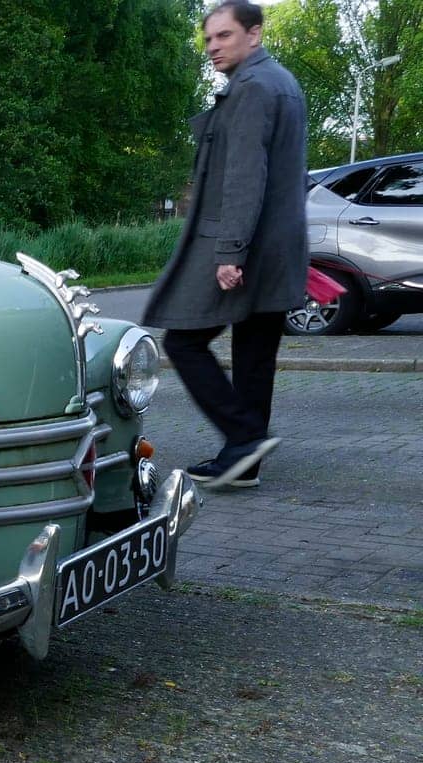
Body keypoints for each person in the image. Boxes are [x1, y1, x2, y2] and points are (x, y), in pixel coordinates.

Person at [144, 0, 307, 488]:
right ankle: (244, 461)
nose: (212, 47)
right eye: (209, 38)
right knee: (255, 353)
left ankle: (243, 437)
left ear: (253, 35)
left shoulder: (253, 88)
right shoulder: (282, 82)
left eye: (224, 36)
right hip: (276, 246)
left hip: (245, 248)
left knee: (183, 341)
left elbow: (243, 178)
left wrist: (230, 252)